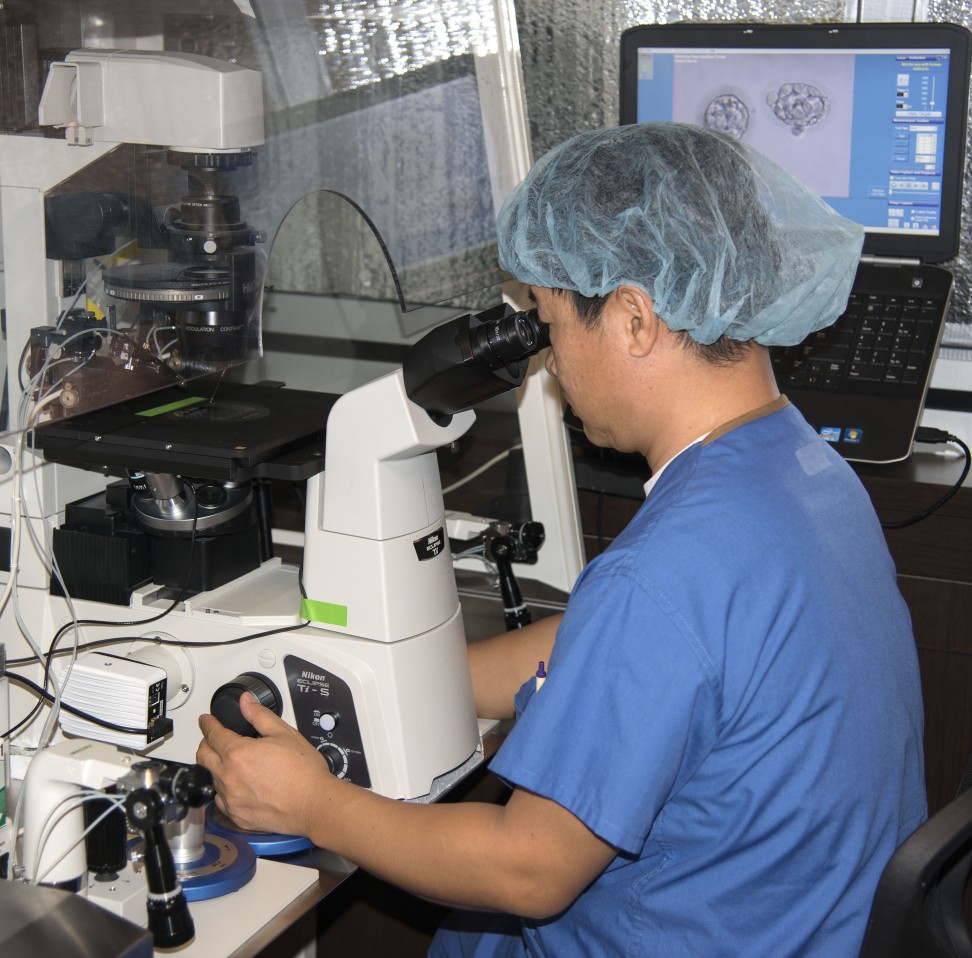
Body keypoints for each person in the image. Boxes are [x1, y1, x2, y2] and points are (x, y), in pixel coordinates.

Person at [197, 122, 927, 957]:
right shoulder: (800, 469)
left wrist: (313, 804)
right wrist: (397, 683)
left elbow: (529, 871)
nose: (547, 365)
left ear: (633, 318)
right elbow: (612, 650)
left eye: (550, 324)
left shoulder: (665, 571)